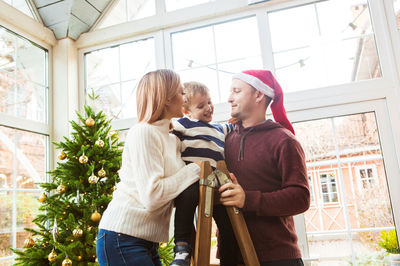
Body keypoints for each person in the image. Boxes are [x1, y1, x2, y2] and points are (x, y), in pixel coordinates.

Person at [96, 69, 201, 266]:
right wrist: (194, 170)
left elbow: (173, 191)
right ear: (167, 99)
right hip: (122, 238)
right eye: (180, 92)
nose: (184, 98)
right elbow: (152, 197)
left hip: (148, 242)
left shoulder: (172, 139)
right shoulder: (143, 133)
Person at [219, 70, 310, 266]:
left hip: (276, 257)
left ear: (259, 95)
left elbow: (300, 197)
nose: (229, 98)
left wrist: (248, 199)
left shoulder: (283, 140)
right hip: (231, 256)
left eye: (236, 91)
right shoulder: (225, 139)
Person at [170, 81, 237, 266]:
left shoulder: (219, 128)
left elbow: (234, 127)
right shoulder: (183, 124)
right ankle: (182, 248)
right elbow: (168, 131)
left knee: (227, 222)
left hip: (216, 181)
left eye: (209, 102)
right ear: (186, 111)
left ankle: (229, 256)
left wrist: (237, 122)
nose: (208, 108)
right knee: (186, 201)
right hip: (193, 179)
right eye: (201, 106)